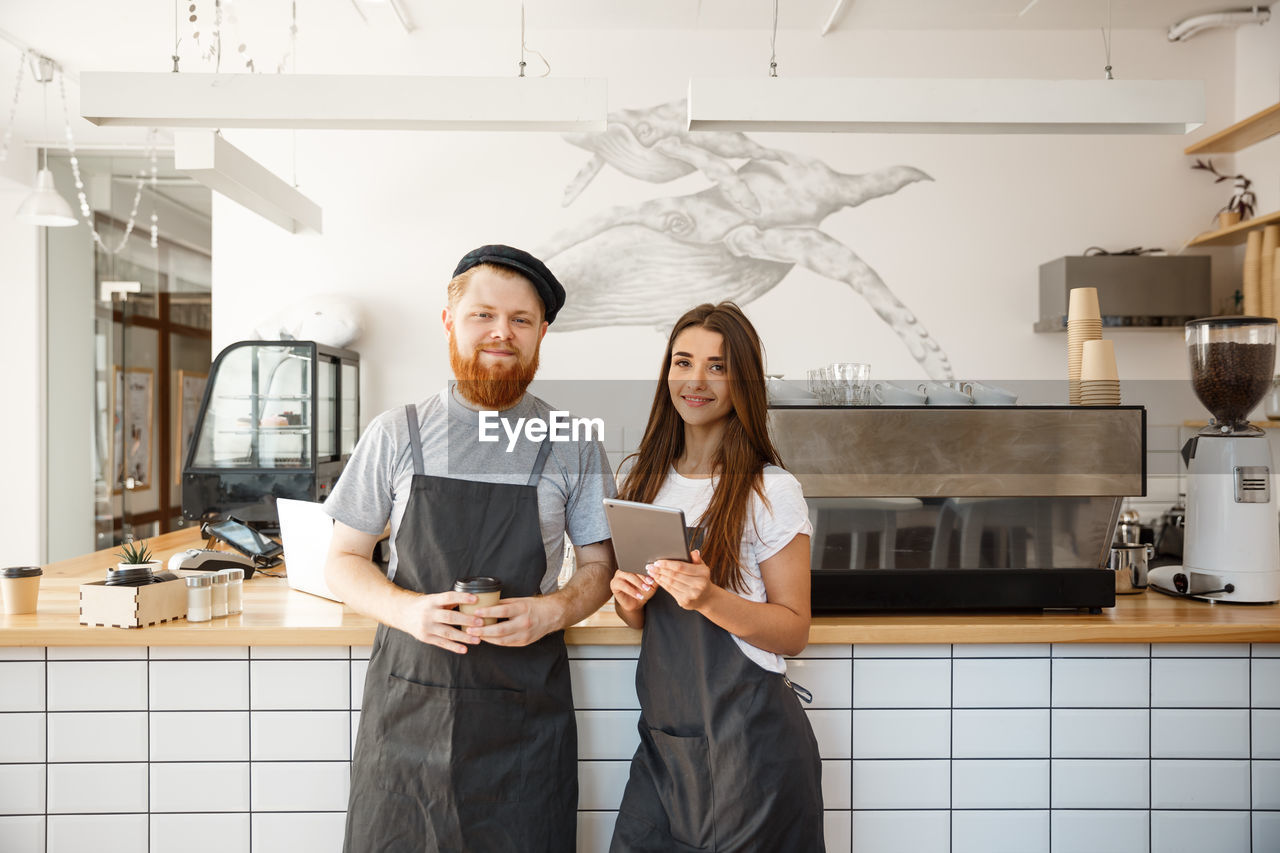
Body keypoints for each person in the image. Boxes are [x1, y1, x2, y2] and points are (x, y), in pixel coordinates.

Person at [323, 244, 616, 852]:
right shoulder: (395, 433)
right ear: (450, 321)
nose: (501, 333)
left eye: (521, 320)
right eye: (484, 314)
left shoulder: (574, 446)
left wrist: (552, 611)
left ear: (539, 336)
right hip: (408, 707)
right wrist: (408, 611)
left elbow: (599, 567)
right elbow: (342, 561)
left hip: (524, 726)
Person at [608, 302, 824, 852]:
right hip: (665, 748)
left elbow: (793, 629)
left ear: (743, 381)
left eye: (718, 366)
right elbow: (638, 617)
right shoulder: (643, 480)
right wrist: (627, 597)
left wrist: (708, 598)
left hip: (751, 752)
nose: (695, 380)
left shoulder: (770, 490)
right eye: (683, 362)